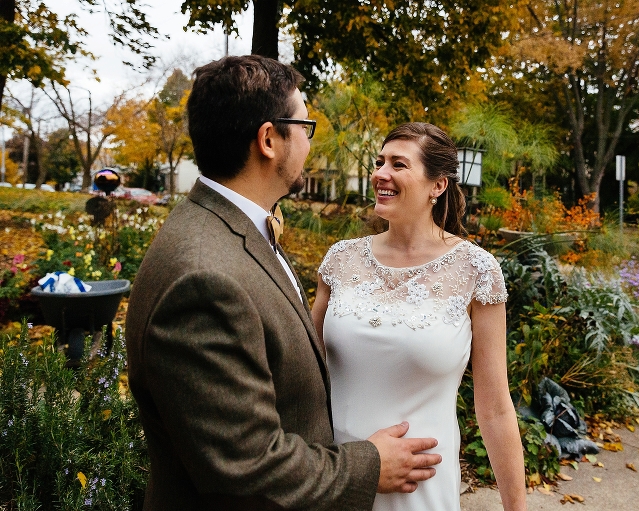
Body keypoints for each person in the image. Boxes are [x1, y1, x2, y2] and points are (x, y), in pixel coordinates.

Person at [125, 56, 442, 511]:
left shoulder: (233, 230)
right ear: (269, 139)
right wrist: (370, 465)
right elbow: (247, 466)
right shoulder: (204, 279)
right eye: (304, 127)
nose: (309, 145)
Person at [312, 122, 528, 511]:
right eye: (379, 162)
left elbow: (495, 407)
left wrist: (516, 507)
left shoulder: (477, 271)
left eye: (398, 164)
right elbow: (305, 373)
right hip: (339, 477)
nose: (381, 173)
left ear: (438, 186)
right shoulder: (340, 261)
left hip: (422, 487)